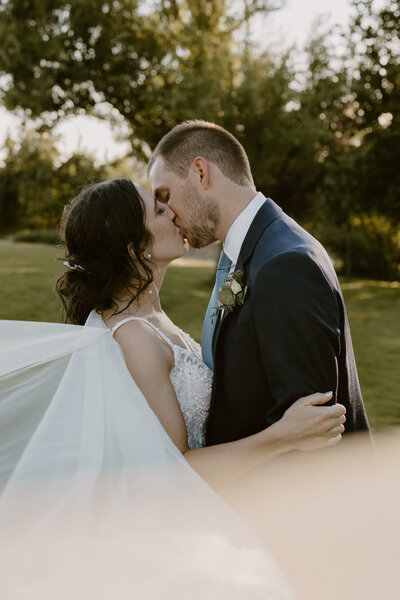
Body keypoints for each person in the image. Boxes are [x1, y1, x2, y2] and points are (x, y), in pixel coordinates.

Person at [0, 177, 346, 598]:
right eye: (158, 210)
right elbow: (174, 472)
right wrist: (283, 435)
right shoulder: (135, 339)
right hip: (173, 538)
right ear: (135, 248)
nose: (173, 212)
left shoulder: (152, 319)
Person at [147, 120, 372, 447]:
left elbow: (312, 436)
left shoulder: (286, 265)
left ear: (200, 172)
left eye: (164, 195)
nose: (166, 213)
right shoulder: (249, 253)